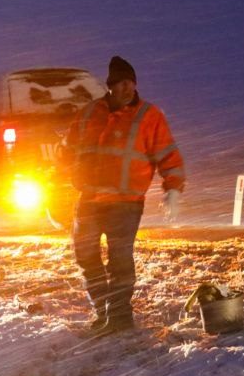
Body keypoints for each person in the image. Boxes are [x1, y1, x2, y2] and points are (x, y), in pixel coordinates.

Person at [62, 55, 186, 336]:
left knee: (119, 259)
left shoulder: (149, 116)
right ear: (110, 87)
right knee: (84, 255)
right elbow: (68, 148)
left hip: (125, 204)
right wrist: (60, 172)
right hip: (89, 200)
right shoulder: (89, 112)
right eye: (122, 84)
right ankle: (103, 312)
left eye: (131, 83)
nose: (128, 89)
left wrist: (174, 189)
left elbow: (169, 156)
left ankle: (119, 318)